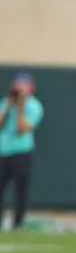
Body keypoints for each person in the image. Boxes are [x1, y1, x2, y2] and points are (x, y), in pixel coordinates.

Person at [0, 72, 44, 230]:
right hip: (3, 151)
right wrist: (8, 106)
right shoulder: (5, 102)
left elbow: (22, 128)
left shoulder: (34, 106)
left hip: (22, 151)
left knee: (21, 188)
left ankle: (18, 222)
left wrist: (20, 108)